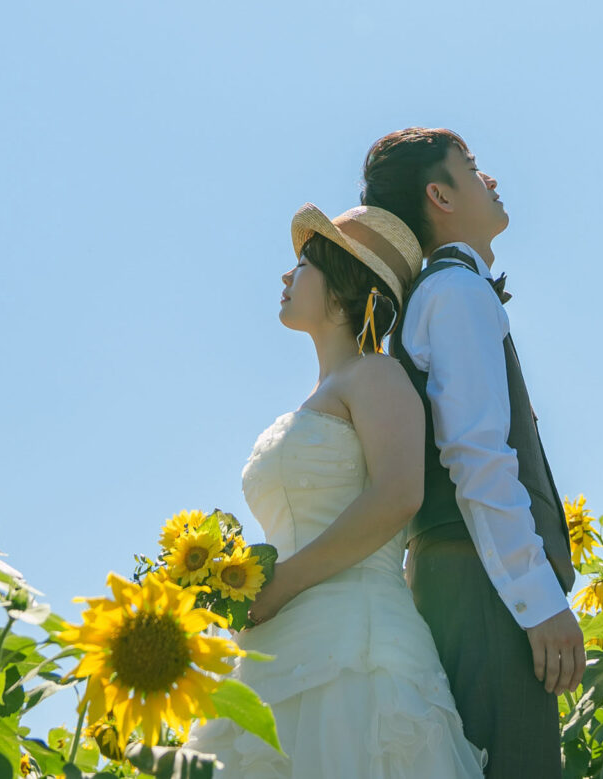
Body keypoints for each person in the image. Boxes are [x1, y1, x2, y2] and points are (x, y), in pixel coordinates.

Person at [186, 204, 485, 779]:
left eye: (301, 264)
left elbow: (399, 495)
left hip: (358, 646)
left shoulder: (376, 375)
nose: (284, 277)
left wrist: (280, 586)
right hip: (276, 645)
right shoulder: (321, 395)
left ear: (346, 285)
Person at [372, 129, 579, 779]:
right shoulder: (457, 292)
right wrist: (538, 599)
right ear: (440, 194)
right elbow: (478, 453)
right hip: (484, 587)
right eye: (473, 167)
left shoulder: (442, 291)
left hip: (463, 579)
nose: (491, 179)